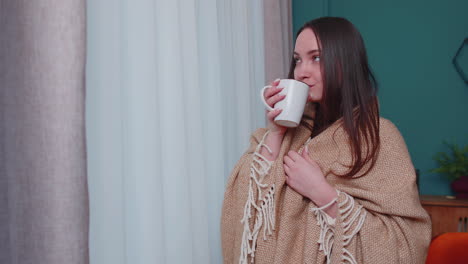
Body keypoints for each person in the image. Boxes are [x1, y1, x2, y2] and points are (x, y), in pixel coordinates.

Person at [221, 17, 431, 264]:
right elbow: (245, 211)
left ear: (347, 63)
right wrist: (276, 132)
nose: (301, 72)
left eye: (316, 58)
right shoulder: (282, 134)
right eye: (297, 60)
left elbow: (405, 241)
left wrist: (321, 193)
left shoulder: (380, 137)